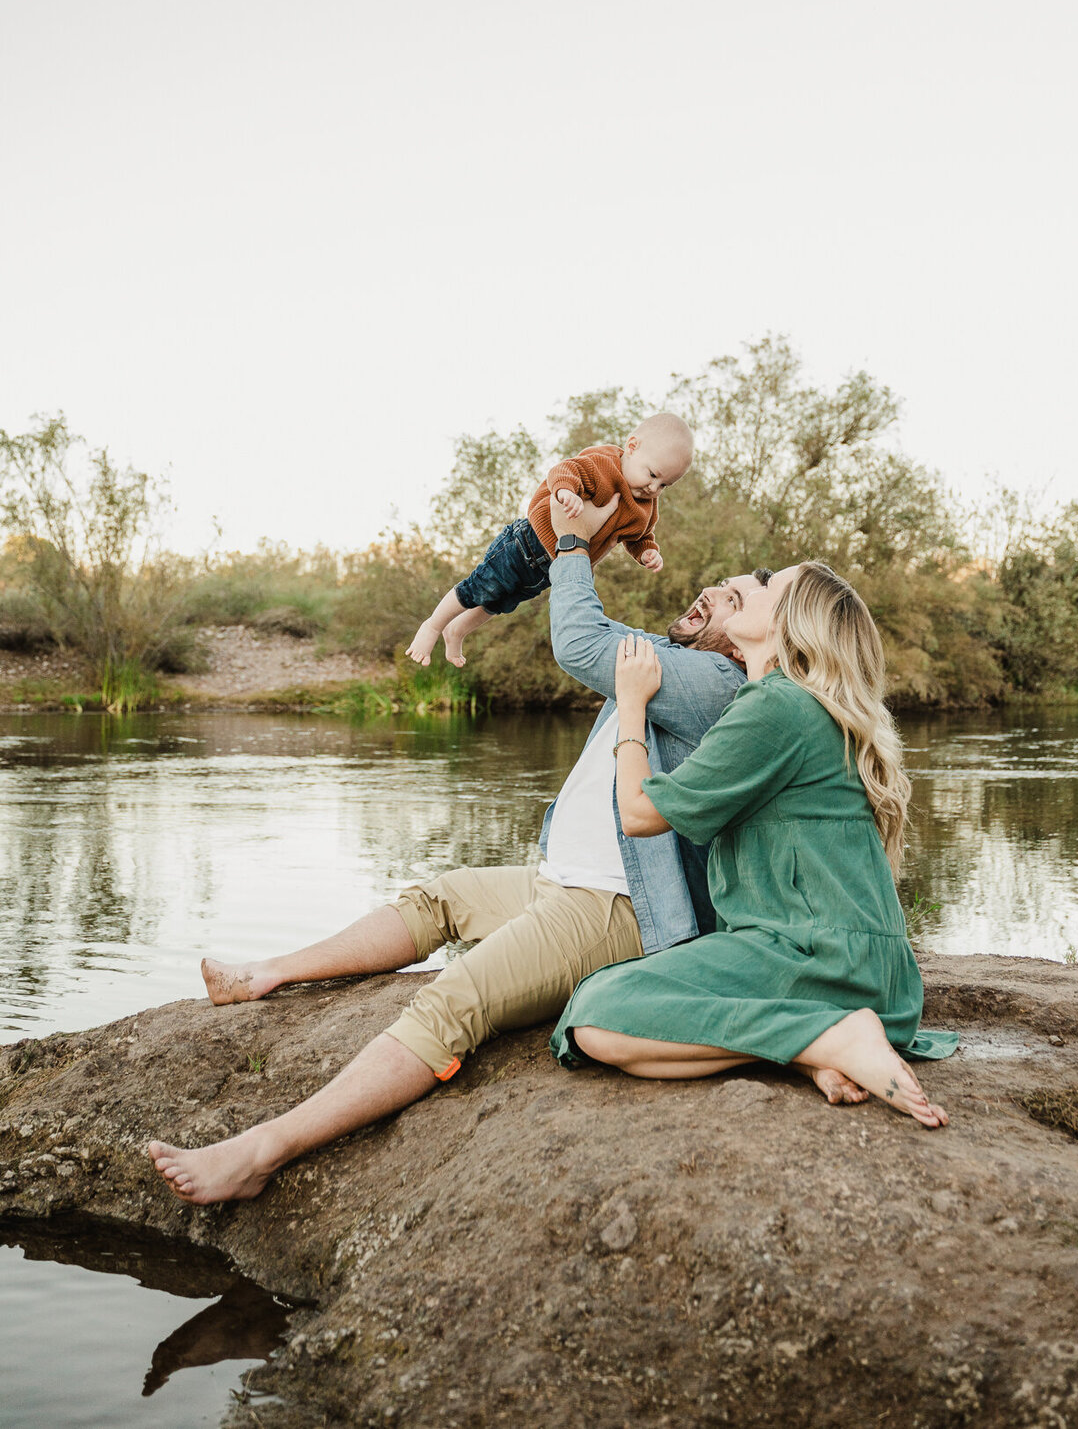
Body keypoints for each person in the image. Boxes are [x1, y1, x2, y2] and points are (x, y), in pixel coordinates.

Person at [148, 496, 840, 1208]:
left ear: (761, 635)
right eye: (730, 582)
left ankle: (262, 1150)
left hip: (614, 906)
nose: (719, 589)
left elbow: (577, 644)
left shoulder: (716, 682)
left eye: (741, 594)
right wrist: (583, 537)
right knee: (439, 896)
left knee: (452, 999)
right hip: (564, 881)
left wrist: (572, 545)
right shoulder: (680, 659)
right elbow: (588, 623)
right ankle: (267, 972)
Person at [551, 562, 958, 1129]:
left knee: (596, 1016)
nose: (746, 583)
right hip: (875, 977)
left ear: (793, 624)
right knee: (607, 1020)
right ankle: (817, 1047)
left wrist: (633, 705)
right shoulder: (802, 706)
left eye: (767, 584)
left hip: (811, 957)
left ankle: (830, 1036)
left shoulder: (777, 707)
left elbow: (640, 815)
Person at [405, 413, 693, 667]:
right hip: (526, 543)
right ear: (632, 447)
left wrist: (646, 552)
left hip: (552, 569)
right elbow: (565, 470)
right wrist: (565, 492)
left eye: (665, 484)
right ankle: (432, 626)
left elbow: (640, 536)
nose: (654, 488)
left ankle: (456, 631)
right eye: (652, 474)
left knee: (499, 603)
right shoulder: (603, 464)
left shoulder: (644, 508)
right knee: (480, 587)